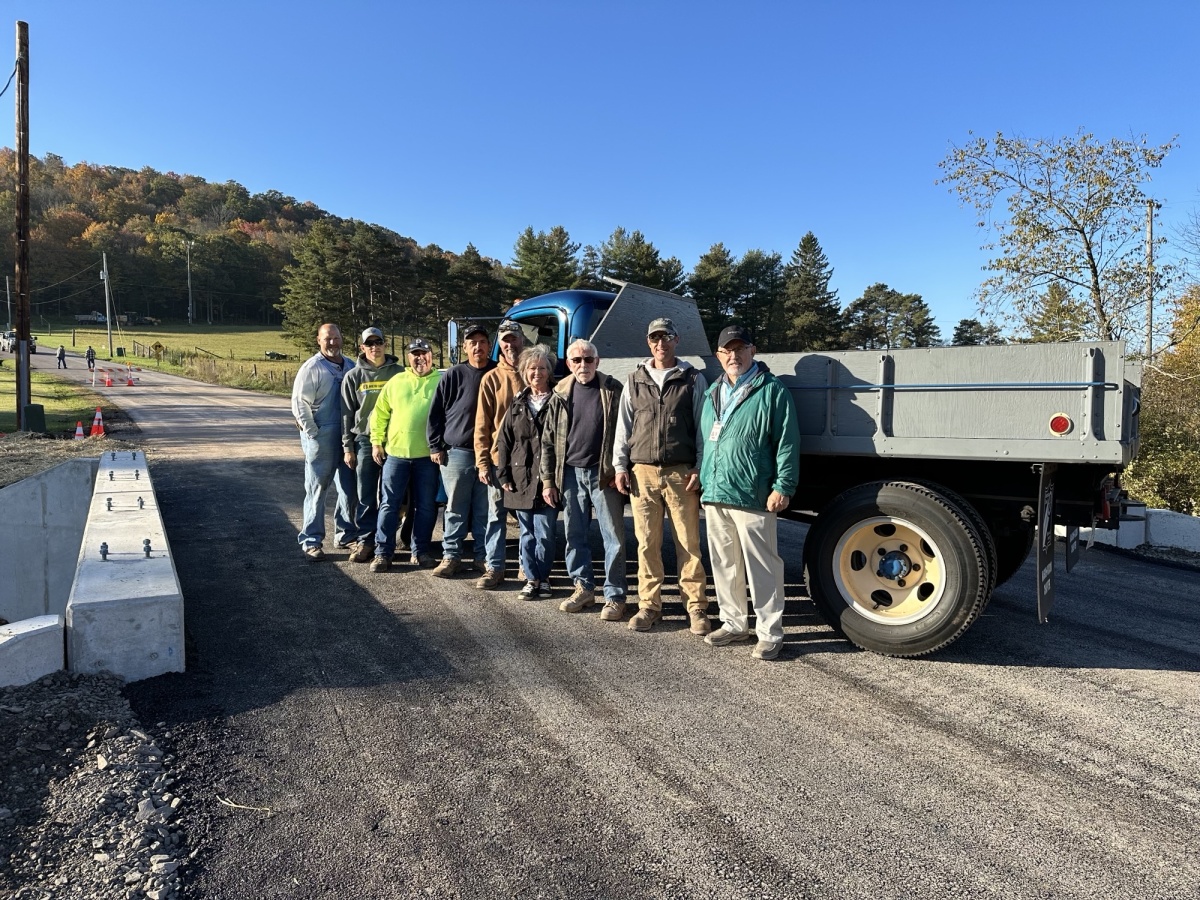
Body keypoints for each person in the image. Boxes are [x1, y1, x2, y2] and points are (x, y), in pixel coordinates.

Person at [699, 325, 800, 661]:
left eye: (740, 349)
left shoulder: (771, 390)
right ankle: (733, 623)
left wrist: (782, 486)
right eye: (727, 350)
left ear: (752, 351)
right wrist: (701, 475)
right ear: (718, 356)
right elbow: (705, 440)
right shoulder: (713, 391)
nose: (734, 356)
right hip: (716, 491)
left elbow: (787, 441)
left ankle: (770, 632)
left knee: (763, 566)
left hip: (753, 493)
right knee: (724, 562)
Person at [613, 317, 710, 635]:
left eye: (666, 336)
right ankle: (649, 606)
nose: (661, 342)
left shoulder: (693, 379)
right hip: (642, 473)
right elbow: (623, 427)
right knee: (647, 544)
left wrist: (699, 466)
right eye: (655, 337)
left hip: (681, 473)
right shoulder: (634, 379)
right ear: (648, 342)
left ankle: (695, 607)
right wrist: (620, 466)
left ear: (677, 340)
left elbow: (703, 428)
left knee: (688, 543)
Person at [540, 338, 627, 619]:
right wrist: (548, 481)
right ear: (568, 364)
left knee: (612, 536)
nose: (583, 365)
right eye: (576, 360)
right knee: (574, 535)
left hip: (604, 476)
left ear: (597, 361)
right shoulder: (560, 393)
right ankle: (583, 588)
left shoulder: (613, 390)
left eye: (588, 359)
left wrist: (620, 469)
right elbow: (548, 441)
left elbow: (629, 433)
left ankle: (614, 596)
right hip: (569, 475)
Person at [427, 322, 496, 578]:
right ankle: (451, 556)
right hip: (457, 453)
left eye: (482, 341)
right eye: (472, 342)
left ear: (490, 346)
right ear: (465, 346)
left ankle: (483, 557)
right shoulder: (454, 374)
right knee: (455, 507)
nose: (477, 346)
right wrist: (435, 445)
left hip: (490, 455)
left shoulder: (498, 373)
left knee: (485, 510)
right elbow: (435, 413)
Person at [369, 339, 441, 572]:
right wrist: (376, 442)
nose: (420, 358)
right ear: (408, 358)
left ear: (432, 355)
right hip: (396, 455)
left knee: (426, 506)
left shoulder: (442, 381)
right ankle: (382, 553)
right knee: (389, 505)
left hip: (428, 458)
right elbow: (380, 414)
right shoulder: (396, 381)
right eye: (414, 354)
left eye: (424, 353)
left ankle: (420, 551)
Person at [495, 345, 558, 599]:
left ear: (549, 372)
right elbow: (504, 441)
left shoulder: (558, 401)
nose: (537, 373)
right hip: (520, 478)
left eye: (542, 368)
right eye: (532, 368)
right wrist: (503, 475)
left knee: (545, 533)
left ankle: (544, 578)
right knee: (526, 533)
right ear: (524, 371)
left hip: (547, 479)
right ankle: (531, 579)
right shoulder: (518, 403)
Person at [291, 323, 357, 560]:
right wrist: (314, 433)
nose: (332, 343)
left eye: (336, 338)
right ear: (319, 341)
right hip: (323, 433)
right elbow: (300, 404)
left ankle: (346, 535)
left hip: (348, 434)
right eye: (327, 339)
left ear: (342, 339)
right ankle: (311, 540)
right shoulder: (312, 368)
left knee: (349, 489)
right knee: (317, 489)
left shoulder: (351, 365)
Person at [341, 327, 404, 563]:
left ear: (385, 344)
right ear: (362, 347)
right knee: (365, 495)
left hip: (396, 442)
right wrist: (348, 447)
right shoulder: (353, 377)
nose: (374, 347)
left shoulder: (399, 373)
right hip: (365, 441)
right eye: (369, 344)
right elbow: (347, 415)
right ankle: (365, 541)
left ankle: (385, 540)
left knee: (392, 496)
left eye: (378, 342)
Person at [473, 319, 527, 589]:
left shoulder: (536, 373)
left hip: (530, 461)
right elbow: (482, 425)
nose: (509, 344)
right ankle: (494, 568)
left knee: (527, 518)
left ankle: (527, 568)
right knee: (495, 516)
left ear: (522, 340)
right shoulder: (491, 379)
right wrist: (482, 462)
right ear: (499, 345)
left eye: (513, 338)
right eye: (504, 340)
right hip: (499, 461)